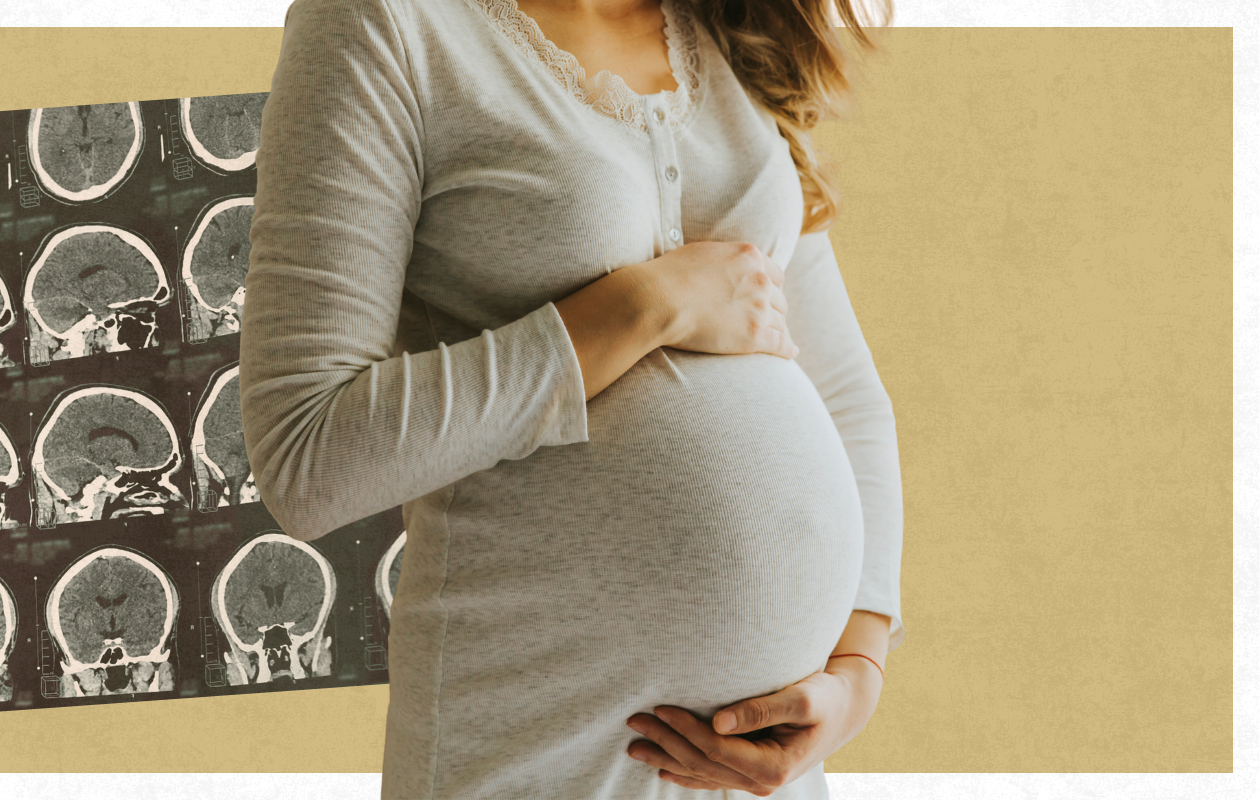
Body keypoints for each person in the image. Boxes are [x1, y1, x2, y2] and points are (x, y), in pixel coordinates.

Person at [238, 0, 903, 796]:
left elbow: (846, 395)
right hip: (536, 742)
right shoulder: (385, 23)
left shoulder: (731, 27)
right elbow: (305, 456)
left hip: (764, 770)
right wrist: (641, 309)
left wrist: (856, 673)